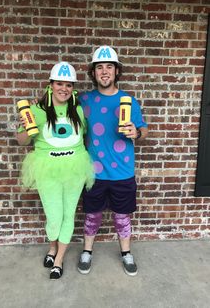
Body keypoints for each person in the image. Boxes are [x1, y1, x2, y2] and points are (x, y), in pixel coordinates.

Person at [16, 62, 94, 280]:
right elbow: (22, 141)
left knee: (69, 214)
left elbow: (83, 135)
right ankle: (52, 247)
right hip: (47, 168)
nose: (64, 89)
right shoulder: (36, 111)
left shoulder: (77, 109)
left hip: (75, 168)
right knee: (53, 216)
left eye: (69, 85)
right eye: (60, 83)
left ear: (73, 88)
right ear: (51, 85)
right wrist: (23, 125)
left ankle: (58, 259)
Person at [77, 46, 148, 276]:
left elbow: (144, 130)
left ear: (117, 71)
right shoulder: (83, 100)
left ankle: (126, 253)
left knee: (122, 216)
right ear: (93, 72)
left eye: (109, 67)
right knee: (92, 215)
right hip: (93, 172)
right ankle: (87, 251)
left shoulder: (128, 100)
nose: (104, 72)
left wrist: (136, 133)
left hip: (122, 172)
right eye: (99, 67)